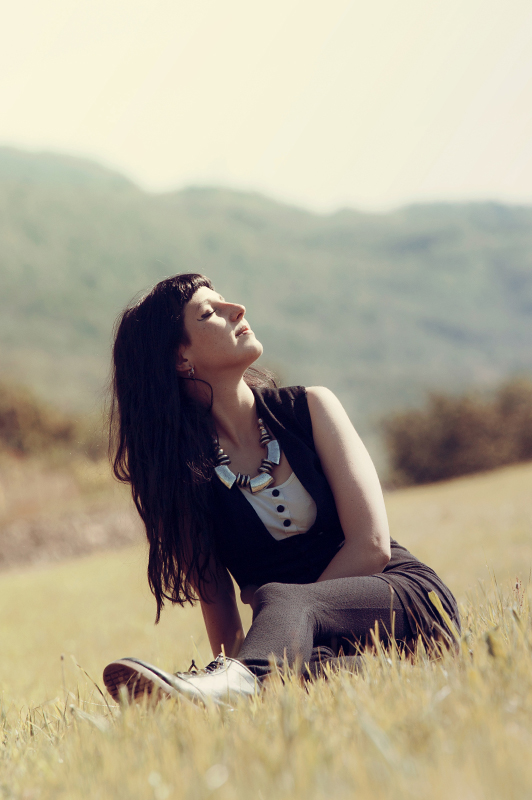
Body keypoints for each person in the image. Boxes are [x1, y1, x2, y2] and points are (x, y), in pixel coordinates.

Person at [102, 273, 460, 705]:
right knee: (314, 672)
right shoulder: (182, 475)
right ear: (181, 359)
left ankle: (240, 682)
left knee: (279, 598)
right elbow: (219, 606)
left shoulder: (311, 408)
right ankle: (231, 695)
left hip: (397, 598)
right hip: (308, 641)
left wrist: (287, 612)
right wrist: (275, 640)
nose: (239, 310)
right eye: (210, 312)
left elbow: (371, 546)